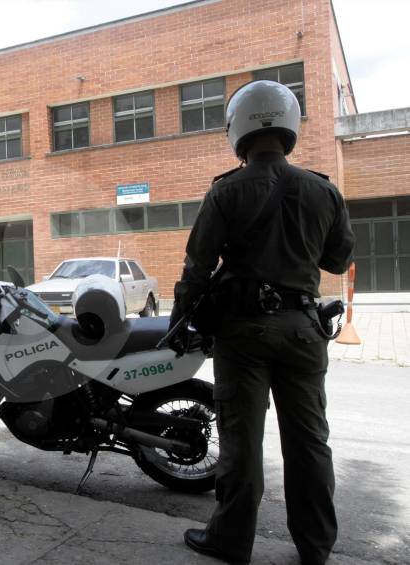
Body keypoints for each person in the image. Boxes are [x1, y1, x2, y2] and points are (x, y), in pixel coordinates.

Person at [169, 81, 355, 564]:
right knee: (310, 441)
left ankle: (230, 541)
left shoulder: (226, 192)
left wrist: (179, 325)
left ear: (240, 130)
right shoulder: (323, 190)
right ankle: (316, 546)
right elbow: (338, 260)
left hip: (243, 334)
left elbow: (196, 269)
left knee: (241, 442)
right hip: (303, 330)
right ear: (287, 127)